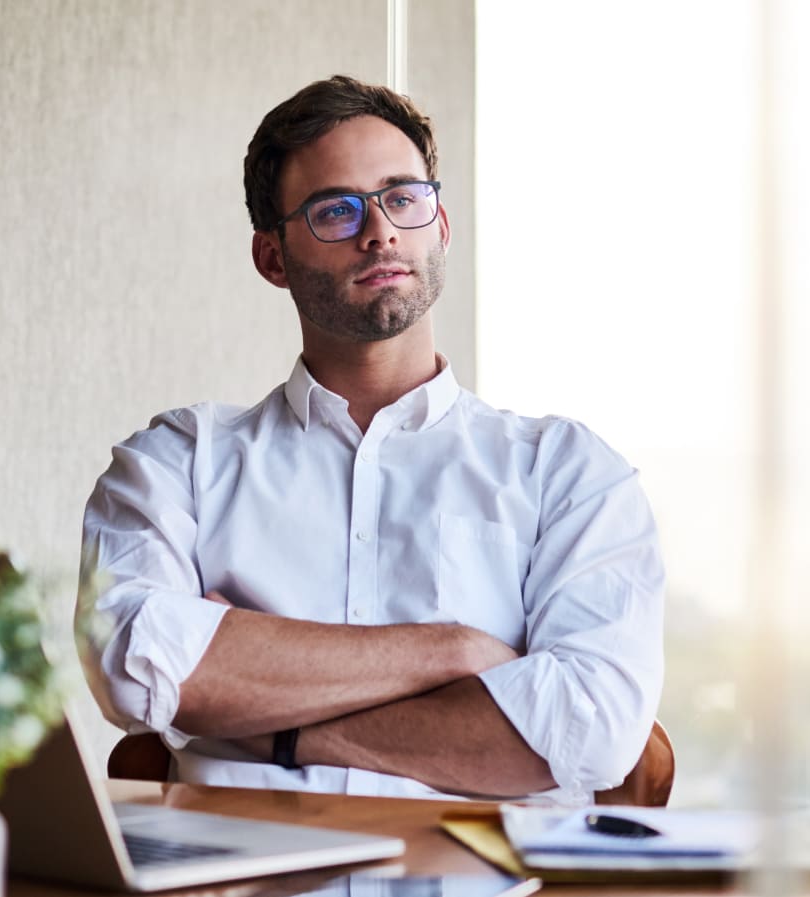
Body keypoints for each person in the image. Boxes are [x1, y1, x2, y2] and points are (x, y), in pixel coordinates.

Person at [77, 75, 664, 803]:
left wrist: (273, 726)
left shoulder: (569, 474)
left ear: (440, 225)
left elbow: (592, 729)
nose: (379, 229)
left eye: (402, 197)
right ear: (272, 257)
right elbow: (137, 665)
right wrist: (449, 649)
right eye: (335, 209)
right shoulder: (177, 462)